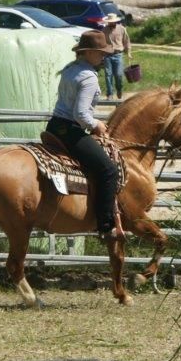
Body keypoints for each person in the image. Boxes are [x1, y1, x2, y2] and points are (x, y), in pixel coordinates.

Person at [45, 30, 122, 240]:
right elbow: (81, 114)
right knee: (108, 170)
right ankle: (105, 224)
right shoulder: (89, 77)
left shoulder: (70, 69)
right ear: (87, 52)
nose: (103, 56)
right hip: (71, 130)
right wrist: (96, 124)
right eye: (100, 53)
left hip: (55, 127)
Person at [101, 13, 131, 99]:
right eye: (109, 22)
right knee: (108, 75)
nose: (110, 23)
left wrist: (128, 52)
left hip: (118, 54)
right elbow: (102, 44)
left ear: (115, 22)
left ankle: (119, 89)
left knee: (118, 74)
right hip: (107, 55)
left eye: (112, 22)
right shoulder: (104, 30)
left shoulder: (122, 29)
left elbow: (126, 41)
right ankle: (109, 94)